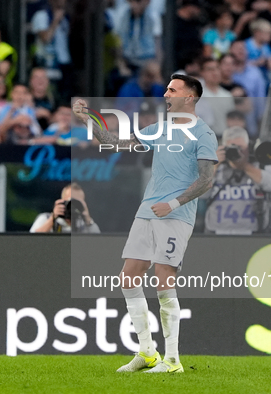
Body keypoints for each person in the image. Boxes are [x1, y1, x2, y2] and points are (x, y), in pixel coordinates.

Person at [73, 74, 218, 373]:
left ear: (189, 97)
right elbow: (114, 144)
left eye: (172, 90)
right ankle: (146, 351)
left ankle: (173, 360)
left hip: (175, 214)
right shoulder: (160, 129)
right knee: (128, 277)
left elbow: (207, 179)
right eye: (166, 88)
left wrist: (174, 203)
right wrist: (89, 118)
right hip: (148, 210)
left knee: (165, 280)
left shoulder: (203, 133)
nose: (166, 94)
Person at [204, 126, 271, 234]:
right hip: (216, 232)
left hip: (253, 233)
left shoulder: (259, 165)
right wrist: (213, 167)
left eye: (241, 147)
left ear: (248, 147)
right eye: (232, 147)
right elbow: (200, 195)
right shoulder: (215, 167)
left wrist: (245, 166)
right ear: (224, 148)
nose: (237, 151)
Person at [30, 183, 100, 233]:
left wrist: (87, 220)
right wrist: (53, 219)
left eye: (77, 202)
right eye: (71, 201)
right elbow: (30, 241)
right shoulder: (45, 218)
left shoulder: (85, 224)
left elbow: (99, 245)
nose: (73, 205)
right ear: (62, 201)